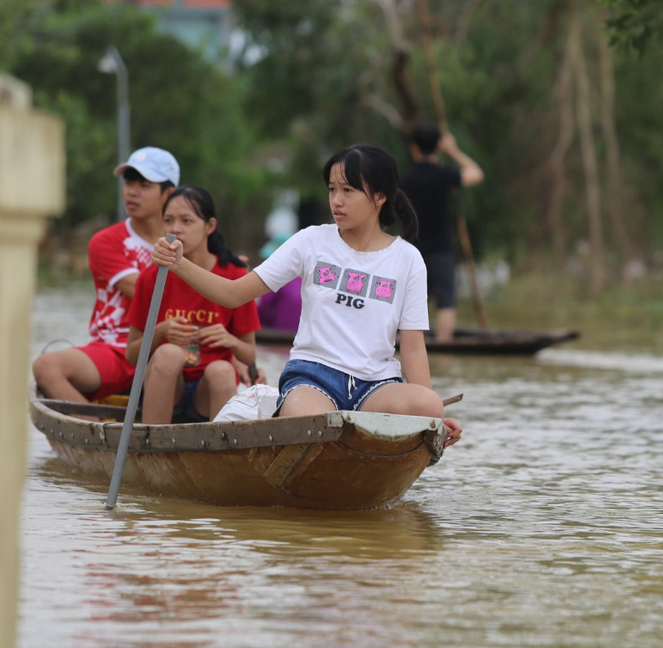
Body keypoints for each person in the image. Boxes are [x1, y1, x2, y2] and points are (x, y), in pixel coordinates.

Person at [150, 143, 462, 446]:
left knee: (429, 405)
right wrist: (179, 265)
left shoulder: (407, 259)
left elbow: (413, 348)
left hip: (375, 385)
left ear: (380, 197)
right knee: (311, 424)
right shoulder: (311, 241)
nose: (336, 201)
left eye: (348, 191)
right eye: (332, 189)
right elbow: (234, 294)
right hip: (313, 378)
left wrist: (430, 426)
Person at [32, 146, 179, 403]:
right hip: (117, 349)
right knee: (46, 367)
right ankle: (92, 434)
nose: (132, 191)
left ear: (169, 194)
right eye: (129, 182)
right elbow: (147, 294)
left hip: (170, 348)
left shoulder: (187, 240)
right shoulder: (106, 241)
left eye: (144, 185)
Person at [127, 186, 260, 424]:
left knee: (222, 369)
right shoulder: (152, 277)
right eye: (168, 220)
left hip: (208, 393)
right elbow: (131, 355)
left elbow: (249, 354)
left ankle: (221, 453)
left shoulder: (235, 275)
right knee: (168, 354)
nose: (176, 228)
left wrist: (230, 340)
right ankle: (152, 445)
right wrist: (160, 332)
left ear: (209, 226)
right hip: (166, 387)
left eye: (187, 221)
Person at [399, 124, 483, 342]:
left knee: (413, 301)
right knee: (446, 301)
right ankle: (444, 346)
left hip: (411, 249)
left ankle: (412, 345)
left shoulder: (405, 180)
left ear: (414, 148)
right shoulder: (444, 176)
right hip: (441, 249)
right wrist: (452, 150)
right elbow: (476, 173)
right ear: (437, 147)